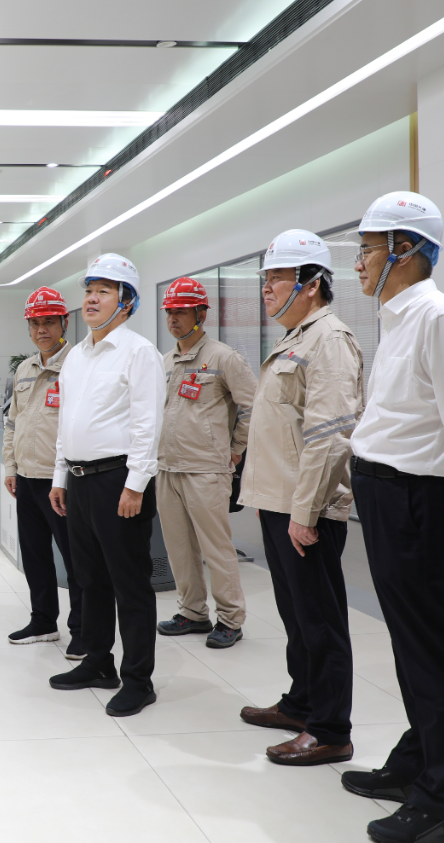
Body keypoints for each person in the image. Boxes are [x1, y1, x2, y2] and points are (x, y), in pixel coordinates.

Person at [345, 193, 444, 843]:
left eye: (368, 249)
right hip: (387, 495)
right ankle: (415, 764)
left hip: (418, 500)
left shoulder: (440, 317)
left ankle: (443, 801)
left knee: (432, 649)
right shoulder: (397, 318)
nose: (358, 263)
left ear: (405, 250)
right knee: (409, 644)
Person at [237, 230, 363, 767]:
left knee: (320, 620)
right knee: (296, 616)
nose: (266, 288)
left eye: (277, 278)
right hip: (280, 502)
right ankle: (301, 704)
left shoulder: (329, 340)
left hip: (304, 509)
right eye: (265, 278)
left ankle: (330, 730)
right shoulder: (296, 339)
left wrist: (306, 512)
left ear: (311, 284)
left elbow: (330, 435)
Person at [47, 254, 163, 718]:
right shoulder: (76, 355)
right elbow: (66, 421)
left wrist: (136, 486)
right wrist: (60, 475)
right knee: (89, 579)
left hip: (119, 481)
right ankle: (97, 662)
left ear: (126, 301)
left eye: (104, 291)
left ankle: (138, 680)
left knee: (129, 583)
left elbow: (148, 424)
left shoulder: (139, 352)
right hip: (79, 481)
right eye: (89, 290)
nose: (91, 299)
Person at [155, 278, 257, 649]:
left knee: (216, 548)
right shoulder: (166, 361)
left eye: (181, 312)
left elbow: (253, 405)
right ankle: (192, 613)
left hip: (206, 470)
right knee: (179, 548)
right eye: (169, 312)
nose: (173, 319)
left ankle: (230, 618)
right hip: (168, 468)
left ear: (201, 313)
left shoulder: (223, 357)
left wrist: (236, 447)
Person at [2, 287, 82, 652]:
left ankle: (83, 630)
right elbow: (12, 421)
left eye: (49, 322)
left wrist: (62, 477)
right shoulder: (25, 368)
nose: (41, 330)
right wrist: (11, 466)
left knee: (76, 559)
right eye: (35, 324)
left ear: (64, 322)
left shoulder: (78, 365)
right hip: (27, 478)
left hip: (62, 481)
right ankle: (43, 621)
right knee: (34, 555)